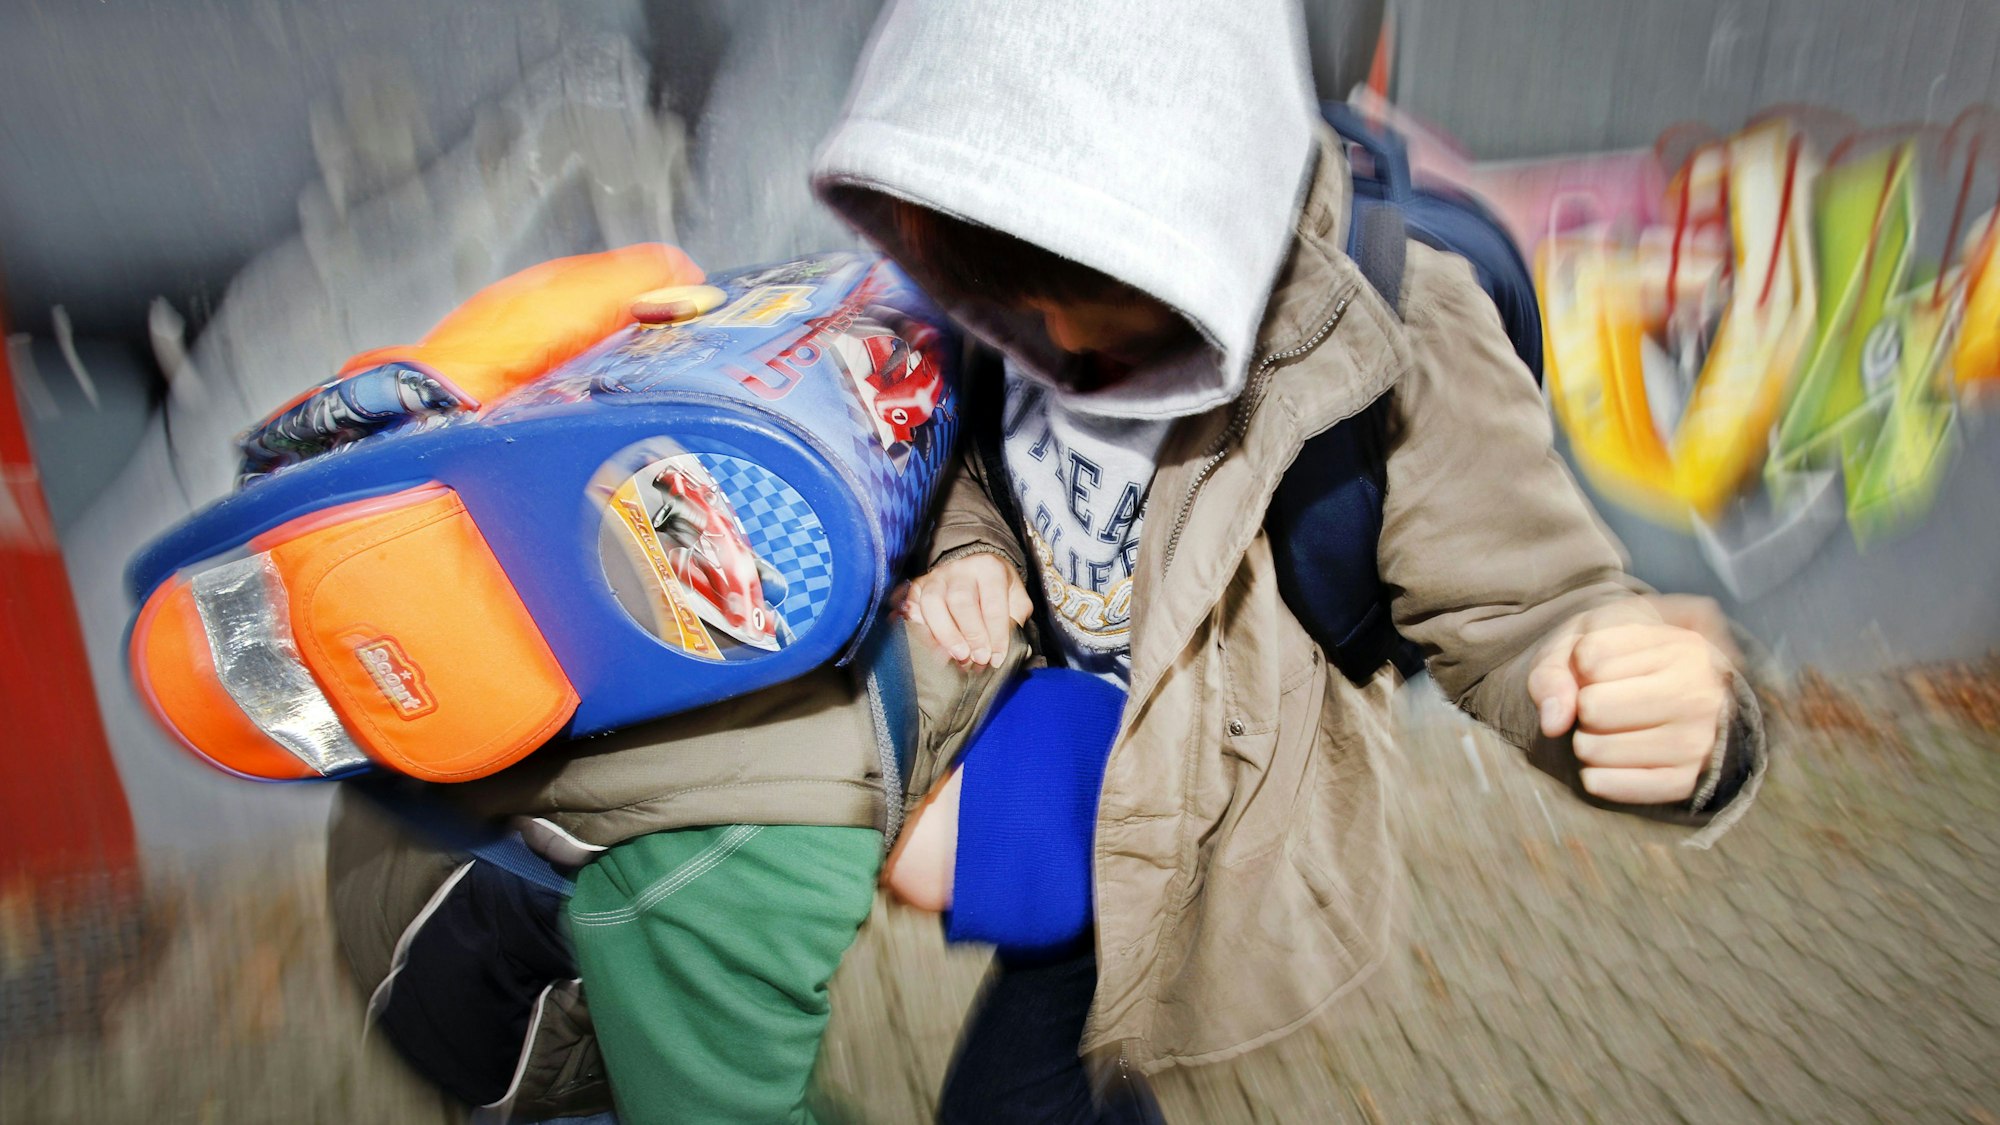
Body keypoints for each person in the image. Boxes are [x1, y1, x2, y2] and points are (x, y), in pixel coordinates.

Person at [809, 0, 1767, 1121]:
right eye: (1018, 315)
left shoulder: (1398, 322)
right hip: (1049, 743)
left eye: (1119, 331)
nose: (1064, 357)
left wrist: (1669, 717)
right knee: (1063, 1068)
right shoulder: (997, 245)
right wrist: (970, 551)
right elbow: (971, 451)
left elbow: (1530, 607)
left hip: (1201, 819)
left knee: (1015, 1096)